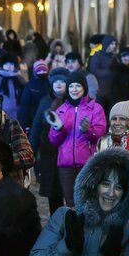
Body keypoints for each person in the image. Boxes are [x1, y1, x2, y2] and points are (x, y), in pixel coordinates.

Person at [47, 71, 107, 207]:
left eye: (78, 86)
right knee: (70, 202)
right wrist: (58, 129)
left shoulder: (95, 108)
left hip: (87, 163)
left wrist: (88, 131)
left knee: (89, 201)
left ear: (84, 88)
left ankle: (88, 227)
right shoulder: (61, 110)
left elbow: (100, 133)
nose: (74, 89)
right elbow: (54, 141)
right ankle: (73, 227)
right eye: (71, 86)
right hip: (66, 165)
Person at [30, 67, 70, 215]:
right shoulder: (45, 101)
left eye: (62, 81)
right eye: (56, 81)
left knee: (70, 192)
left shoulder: (72, 102)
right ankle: (56, 223)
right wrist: (31, 150)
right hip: (49, 153)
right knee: (54, 194)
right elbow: (36, 126)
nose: (59, 84)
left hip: (68, 152)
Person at [0, 54, 26, 122]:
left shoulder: (20, 79)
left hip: (19, 115)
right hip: (2, 116)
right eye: (7, 64)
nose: (9, 67)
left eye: (11, 65)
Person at [18, 59, 50, 130]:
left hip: (47, 121)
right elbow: (24, 107)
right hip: (33, 121)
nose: (42, 72)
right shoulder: (30, 86)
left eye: (44, 70)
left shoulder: (50, 84)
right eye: (40, 70)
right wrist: (25, 125)